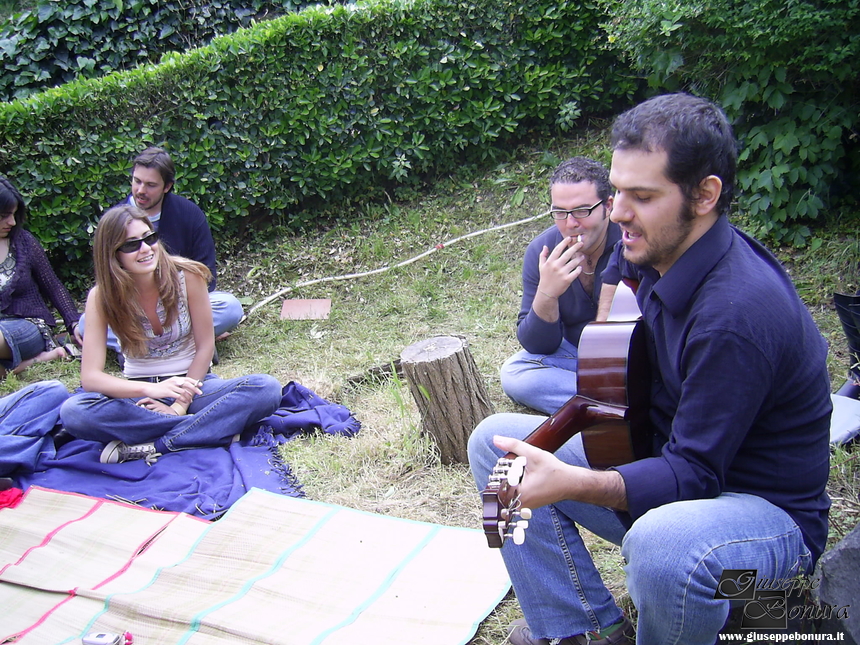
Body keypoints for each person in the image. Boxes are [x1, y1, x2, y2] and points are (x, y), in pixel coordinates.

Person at [468, 93, 832, 645]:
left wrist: (577, 483)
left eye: (642, 196)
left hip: (764, 523)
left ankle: (750, 613)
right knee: (496, 443)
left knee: (662, 547)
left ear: (705, 195)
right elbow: (624, 376)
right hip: (677, 482)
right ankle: (585, 631)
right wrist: (571, 423)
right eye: (617, 192)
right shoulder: (662, 255)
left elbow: (695, 474)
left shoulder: (734, 313)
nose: (615, 213)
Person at [60, 205, 281, 464]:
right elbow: (91, 378)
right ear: (112, 254)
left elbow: (205, 347)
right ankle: (205, 430)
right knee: (74, 412)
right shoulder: (101, 297)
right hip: (138, 395)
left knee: (266, 388)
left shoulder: (188, 275)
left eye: (149, 238)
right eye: (132, 245)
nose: (145, 249)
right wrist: (151, 390)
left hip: (194, 386)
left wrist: (179, 405)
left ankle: (157, 445)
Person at [80, 147, 244, 352]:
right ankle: (178, 340)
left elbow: (205, 274)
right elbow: (108, 276)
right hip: (133, 310)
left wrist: (176, 301)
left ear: (167, 187)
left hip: (180, 303)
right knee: (85, 324)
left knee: (230, 307)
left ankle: (147, 344)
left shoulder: (189, 215)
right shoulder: (115, 221)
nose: (141, 190)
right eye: (137, 181)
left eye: (150, 185)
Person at [500, 157, 620, 414]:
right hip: (576, 359)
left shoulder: (630, 240)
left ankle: (604, 402)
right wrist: (547, 294)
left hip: (630, 355)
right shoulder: (541, 251)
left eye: (582, 211)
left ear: (607, 206)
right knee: (515, 372)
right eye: (560, 212)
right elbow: (538, 346)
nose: (570, 223)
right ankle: (612, 402)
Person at [0, 177, 82, 377]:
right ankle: (34, 361)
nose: (11, 222)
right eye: (3, 215)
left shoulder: (24, 242)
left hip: (28, 325)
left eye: (13, 214)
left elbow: (53, 286)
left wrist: (74, 323)